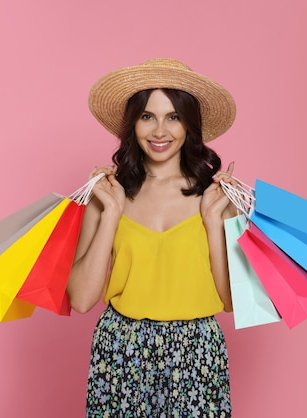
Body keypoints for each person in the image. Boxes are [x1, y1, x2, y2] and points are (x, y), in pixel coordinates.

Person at [67, 58, 238, 417]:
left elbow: (229, 300)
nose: (160, 130)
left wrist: (211, 218)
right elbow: (81, 299)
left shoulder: (216, 199)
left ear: (189, 124)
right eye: (148, 116)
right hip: (120, 349)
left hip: (196, 351)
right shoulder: (107, 195)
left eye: (173, 116)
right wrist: (111, 213)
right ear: (133, 125)